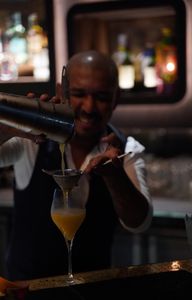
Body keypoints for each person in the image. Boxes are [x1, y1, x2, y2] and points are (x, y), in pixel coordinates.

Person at [0, 50, 153, 280]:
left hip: (92, 291)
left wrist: (115, 177)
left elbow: (139, 223)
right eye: (79, 94)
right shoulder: (30, 140)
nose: (89, 108)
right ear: (62, 91)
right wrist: (5, 129)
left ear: (116, 98)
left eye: (101, 97)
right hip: (27, 291)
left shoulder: (127, 150)